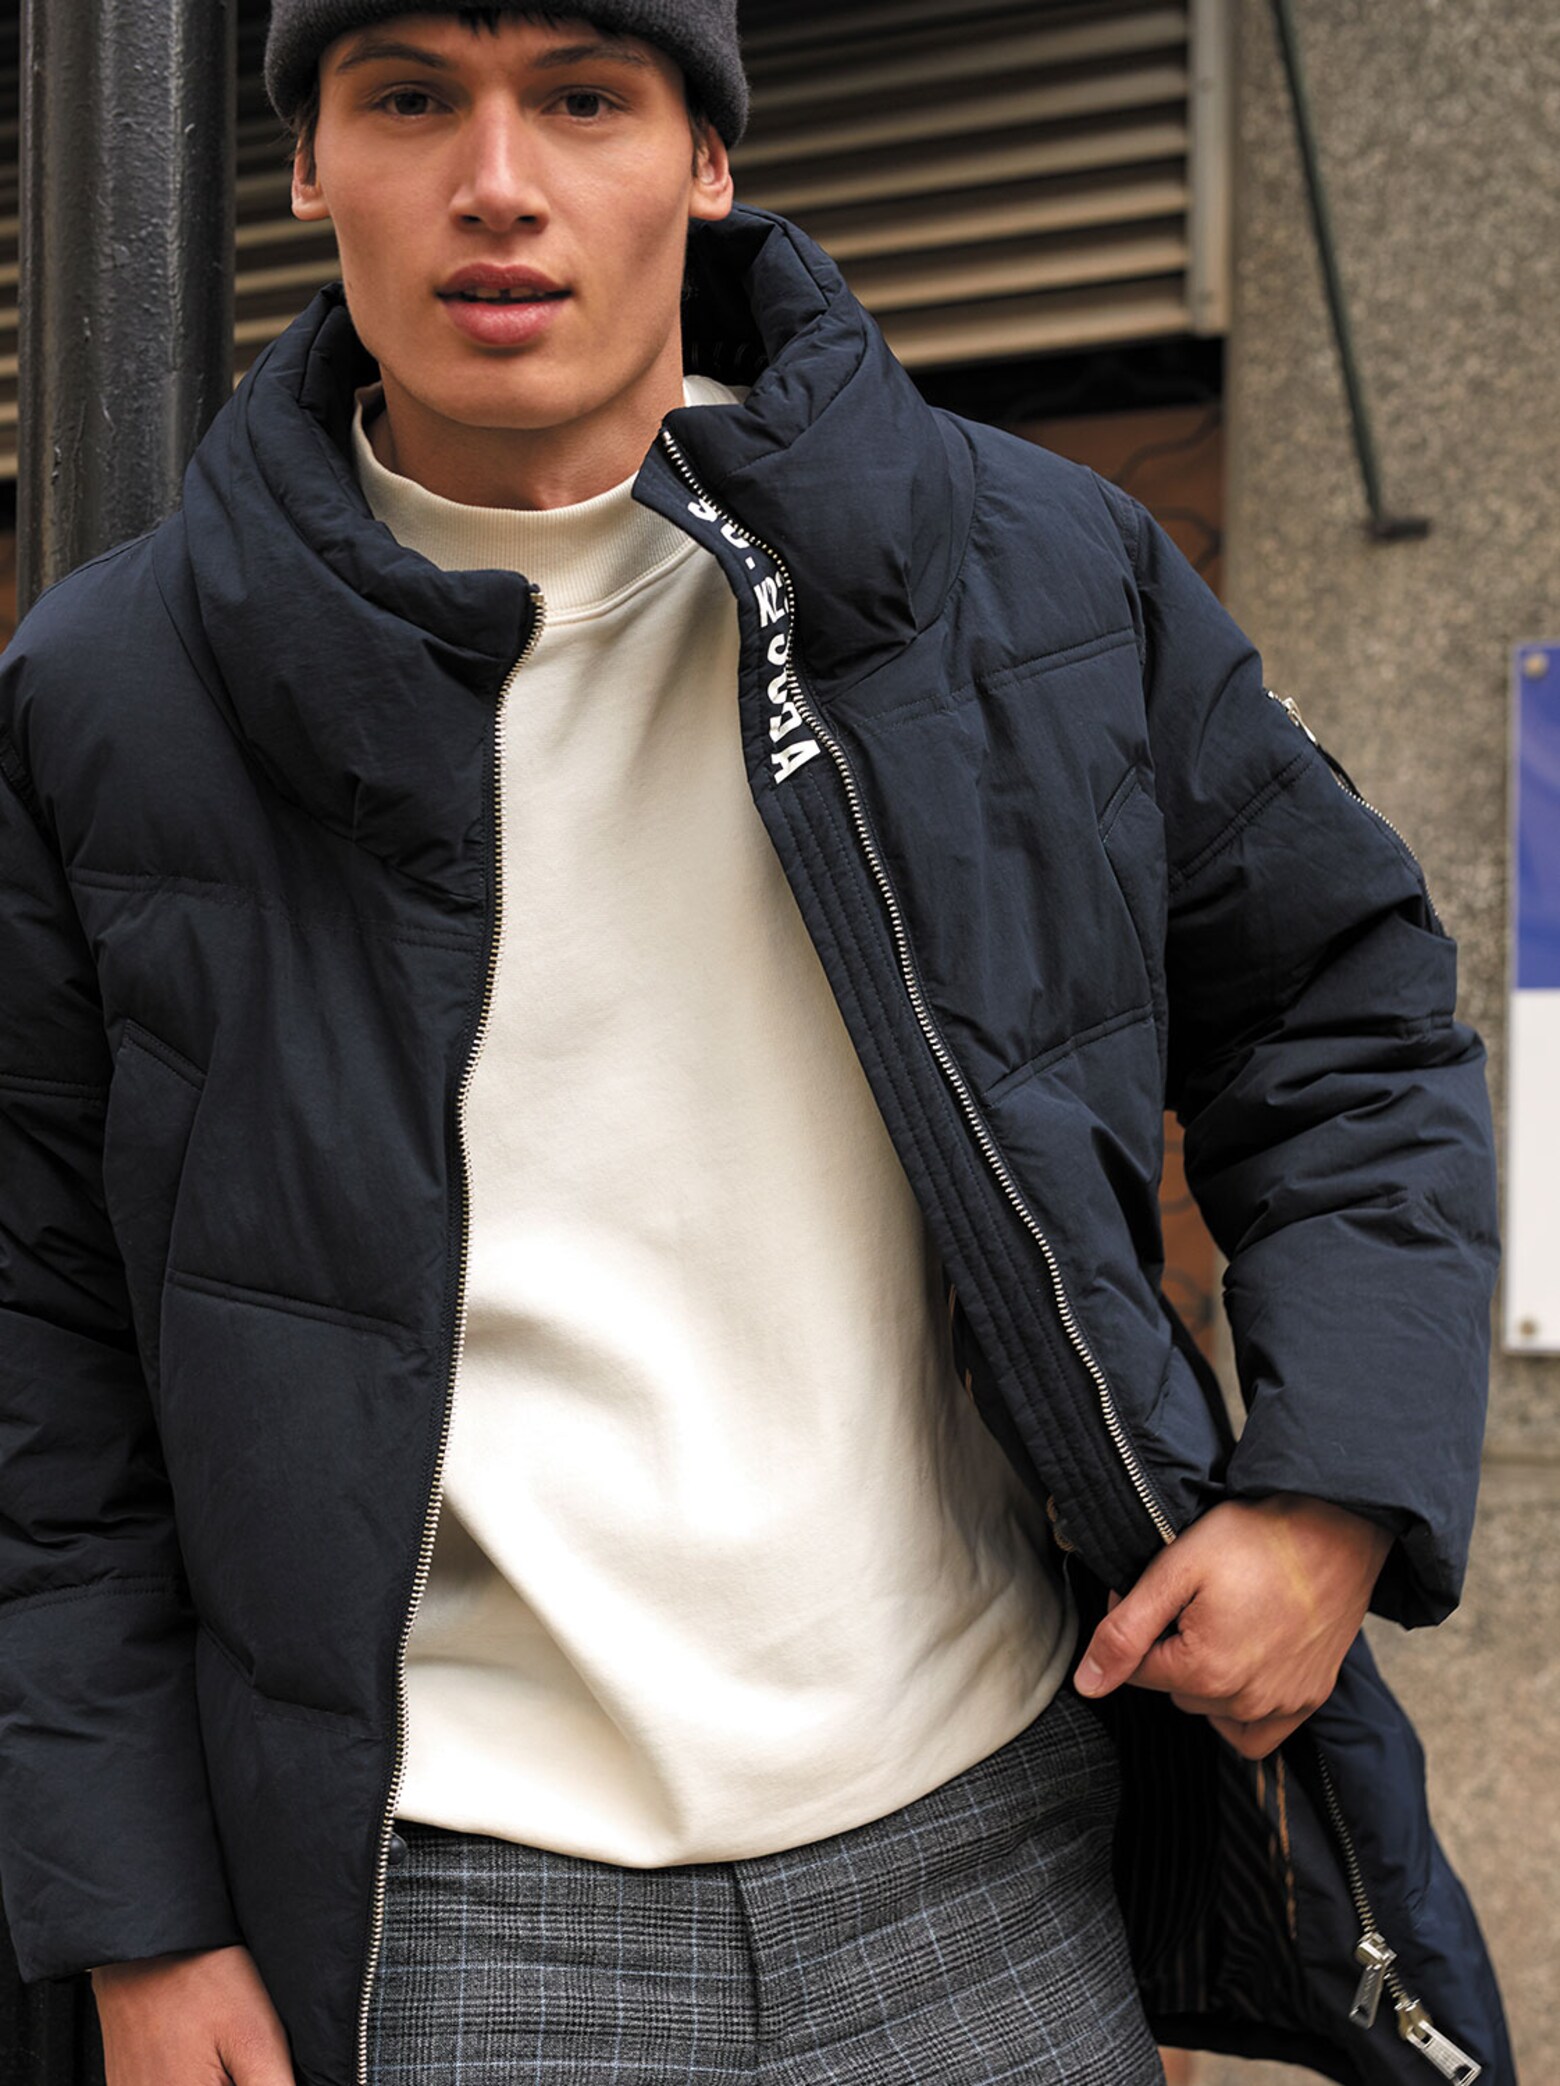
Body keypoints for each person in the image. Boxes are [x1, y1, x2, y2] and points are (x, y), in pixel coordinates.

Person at [0, 4, 1511, 2082]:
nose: (499, 182)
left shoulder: (1030, 569)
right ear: (310, 164)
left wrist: (1331, 1487)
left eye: (585, 99)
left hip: (989, 1850)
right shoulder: (112, 691)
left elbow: (1344, 1012)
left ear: (707, 160)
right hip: (438, 1911)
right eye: (411, 97)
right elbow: (41, 1337)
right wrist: (141, 1916)